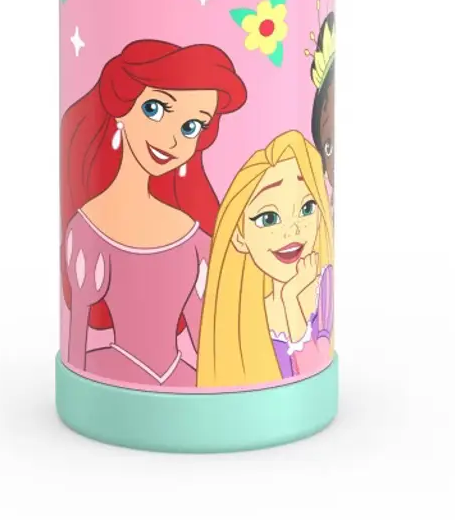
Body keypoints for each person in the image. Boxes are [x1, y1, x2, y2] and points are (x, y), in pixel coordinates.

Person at [60, 39, 247, 387]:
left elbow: (205, 341)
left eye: (191, 127)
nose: (172, 140)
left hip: (186, 378)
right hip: (111, 376)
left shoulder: (195, 239)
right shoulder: (88, 231)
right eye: (155, 109)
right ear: (122, 106)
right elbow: (77, 343)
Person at [197, 130, 334, 388]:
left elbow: (313, 362)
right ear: (239, 236)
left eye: (307, 208)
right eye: (268, 218)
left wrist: (291, 300)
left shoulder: (322, 287)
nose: (292, 231)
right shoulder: (242, 313)